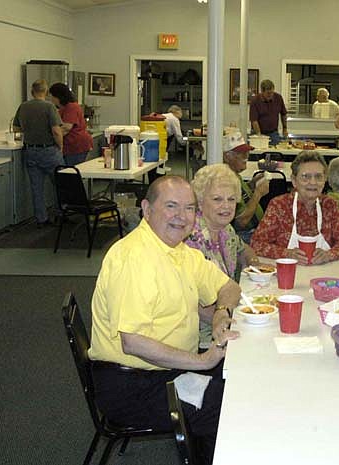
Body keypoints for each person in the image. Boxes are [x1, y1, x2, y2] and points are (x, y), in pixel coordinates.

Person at [89, 175, 241, 463]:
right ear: (147, 209)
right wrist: (201, 361)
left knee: (240, 383)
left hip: (164, 368)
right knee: (232, 405)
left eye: (189, 208)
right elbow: (133, 343)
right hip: (133, 385)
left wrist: (222, 312)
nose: (181, 217)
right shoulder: (134, 258)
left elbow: (229, 287)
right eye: (171, 206)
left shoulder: (179, 250)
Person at [186, 164, 261, 348]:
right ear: (201, 201)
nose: (226, 206)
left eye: (231, 199)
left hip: (227, 315)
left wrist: (254, 267)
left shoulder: (225, 228)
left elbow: (243, 249)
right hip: (202, 337)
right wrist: (232, 318)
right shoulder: (191, 237)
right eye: (217, 199)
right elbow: (192, 303)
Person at [251, 151, 339, 263]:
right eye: (306, 177)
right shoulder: (279, 206)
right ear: (294, 181)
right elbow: (256, 244)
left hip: (323, 274)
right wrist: (286, 253)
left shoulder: (329, 205)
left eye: (318, 177)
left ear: (325, 180)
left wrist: (330, 254)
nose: (313, 182)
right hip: (289, 272)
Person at [12, 79, 64, 227]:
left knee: (36, 187)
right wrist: (60, 146)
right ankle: (61, 213)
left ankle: (41, 218)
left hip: (30, 150)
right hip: (48, 150)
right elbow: (56, 130)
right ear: (46, 91)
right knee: (60, 183)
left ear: (32, 91)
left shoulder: (23, 106)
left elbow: (16, 128)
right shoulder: (49, 107)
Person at [221, 131, 270, 244]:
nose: (246, 156)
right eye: (241, 153)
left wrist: (251, 185)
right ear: (227, 156)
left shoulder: (234, 174)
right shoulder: (226, 180)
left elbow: (241, 194)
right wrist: (258, 194)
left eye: (247, 152)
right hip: (245, 235)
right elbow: (241, 222)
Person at [49, 82, 93, 166]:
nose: (51, 99)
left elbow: (66, 128)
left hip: (76, 146)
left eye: (52, 96)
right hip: (70, 146)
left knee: (71, 172)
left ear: (57, 96)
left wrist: (51, 135)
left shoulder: (71, 107)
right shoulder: (63, 109)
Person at [249, 79, 288, 146]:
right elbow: (254, 121)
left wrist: (285, 128)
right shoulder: (255, 101)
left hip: (273, 132)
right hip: (257, 132)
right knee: (258, 152)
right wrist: (259, 136)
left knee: (276, 153)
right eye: (268, 93)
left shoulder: (278, 98)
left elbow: (283, 114)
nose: (270, 95)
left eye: (272, 92)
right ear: (262, 92)